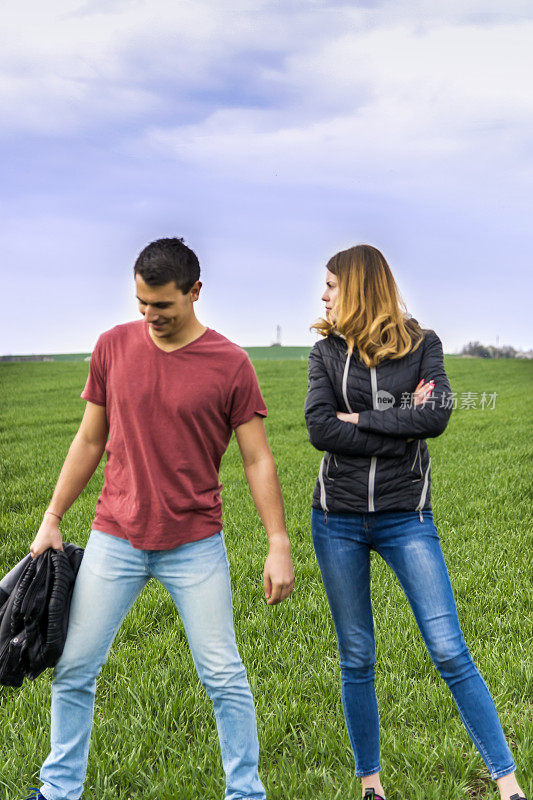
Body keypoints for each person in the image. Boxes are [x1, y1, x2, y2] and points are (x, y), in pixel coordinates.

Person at [24, 237, 295, 800]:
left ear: (195, 292)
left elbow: (257, 458)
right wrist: (52, 517)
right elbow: (90, 438)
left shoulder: (231, 364)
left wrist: (277, 542)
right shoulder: (113, 347)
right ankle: (57, 789)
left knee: (224, 676)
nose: (150, 317)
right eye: (142, 304)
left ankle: (246, 792)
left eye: (163, 306)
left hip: (194, 544)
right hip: (114, 536)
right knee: (75, 670)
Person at [304, 244, 526, 800]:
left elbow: (438, 414)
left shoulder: (423, 344)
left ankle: (509, 785)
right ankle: (371, 787)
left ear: (357, 287)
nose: (323, 295)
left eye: (331, 285)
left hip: (407, 517)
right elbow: (319, 428)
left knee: (449, 648)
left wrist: (361, 416)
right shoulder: (325, 352)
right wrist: (399, 425)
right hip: (337, 520)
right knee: (357, 655)